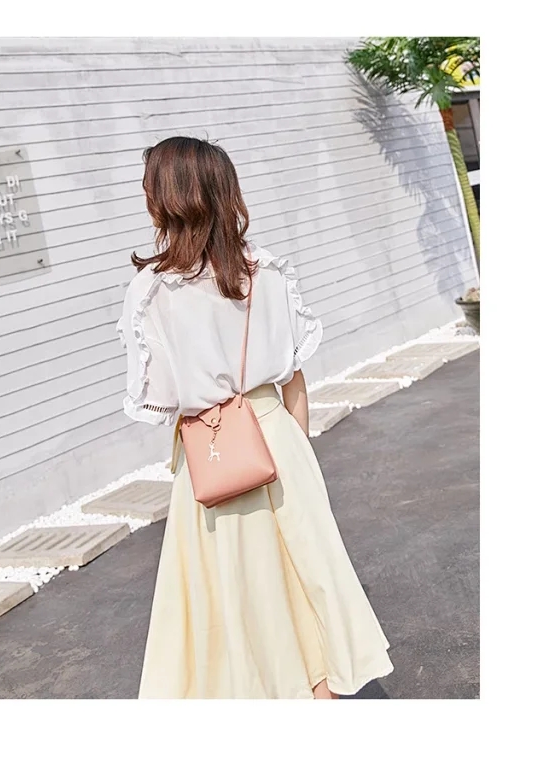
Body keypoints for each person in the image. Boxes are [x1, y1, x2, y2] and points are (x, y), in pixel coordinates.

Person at [117, 136, 394, 699]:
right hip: (280, 440)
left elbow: (160, 401)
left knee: (243, 596)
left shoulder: (152, 291)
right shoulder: (267, 270)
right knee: (307, 583)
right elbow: (294, 380)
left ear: (168, 199)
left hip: (217, 453)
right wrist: (298, 457)